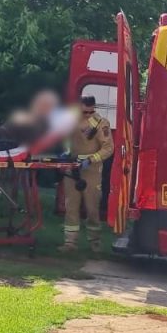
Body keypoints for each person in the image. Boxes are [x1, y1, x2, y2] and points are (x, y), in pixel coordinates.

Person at [60, 96, 114, 252]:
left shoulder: (100, 124)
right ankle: (70, 243)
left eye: (91, 111)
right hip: (72, 166)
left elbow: (108, 148)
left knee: (92, 208)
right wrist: (66, 152)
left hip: (91, 169)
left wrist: (91, 159)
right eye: (85, 111)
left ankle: (95, 242)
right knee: (71, 206)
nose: (88, 114)